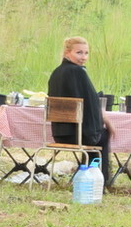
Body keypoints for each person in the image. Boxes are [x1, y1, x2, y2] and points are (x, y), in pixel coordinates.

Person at [47, 36, 113, 186]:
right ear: (67, 53)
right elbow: (91, 104)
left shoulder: (56, 73)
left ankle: (86, 176)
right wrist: (101, 124)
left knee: (98, 135)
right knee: (102, 135)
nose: (83, 57)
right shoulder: (78, 72)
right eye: (79, 53)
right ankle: (98, 182)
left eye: (86, 53)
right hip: (77, 136)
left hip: (60, 135)